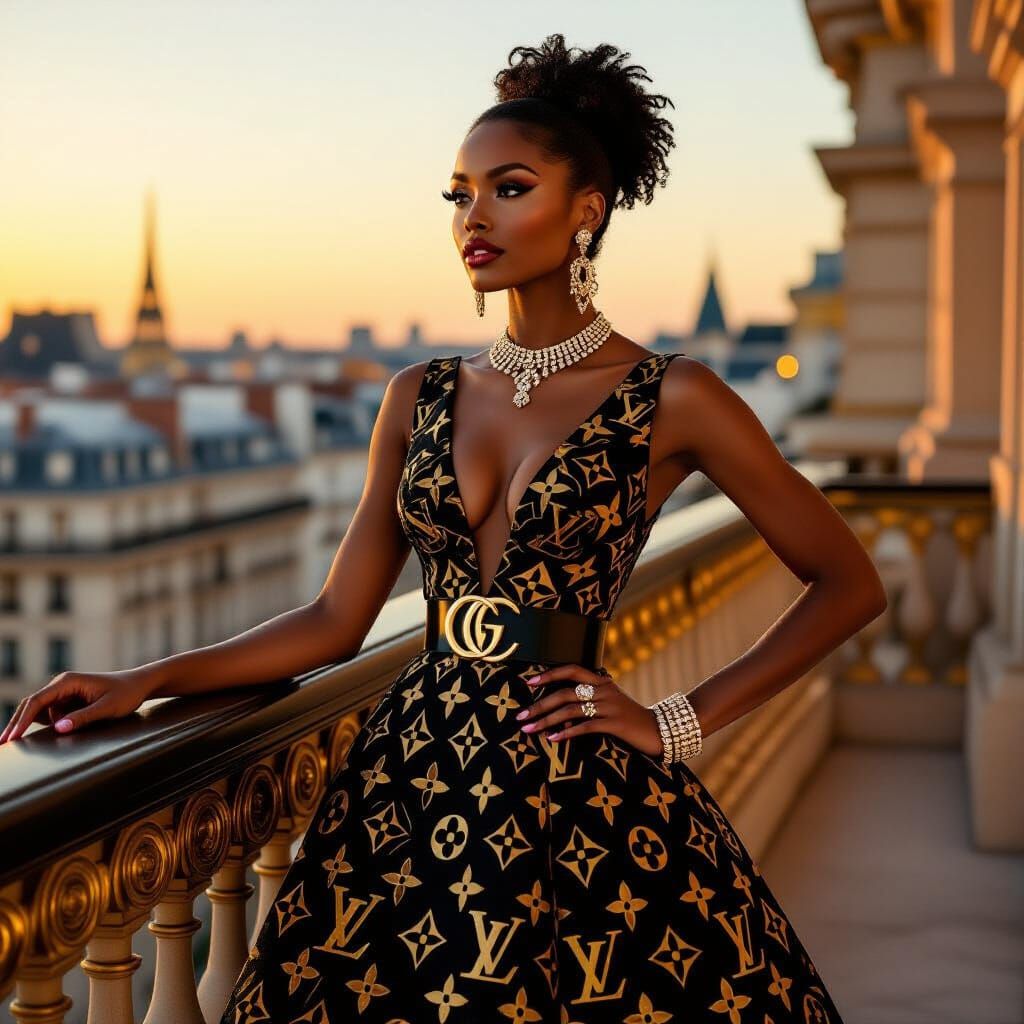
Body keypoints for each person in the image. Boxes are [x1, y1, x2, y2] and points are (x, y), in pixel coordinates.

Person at [1, 34, 884, 1024]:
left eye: (507, 188)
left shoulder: (675, 395)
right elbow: (338, 617)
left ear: (585, 210)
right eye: (458, 193)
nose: (474, 216)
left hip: (580, 783)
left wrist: (672, 723)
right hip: (415, 778)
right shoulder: (414, 395)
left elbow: (849, 583)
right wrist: (148, 678)